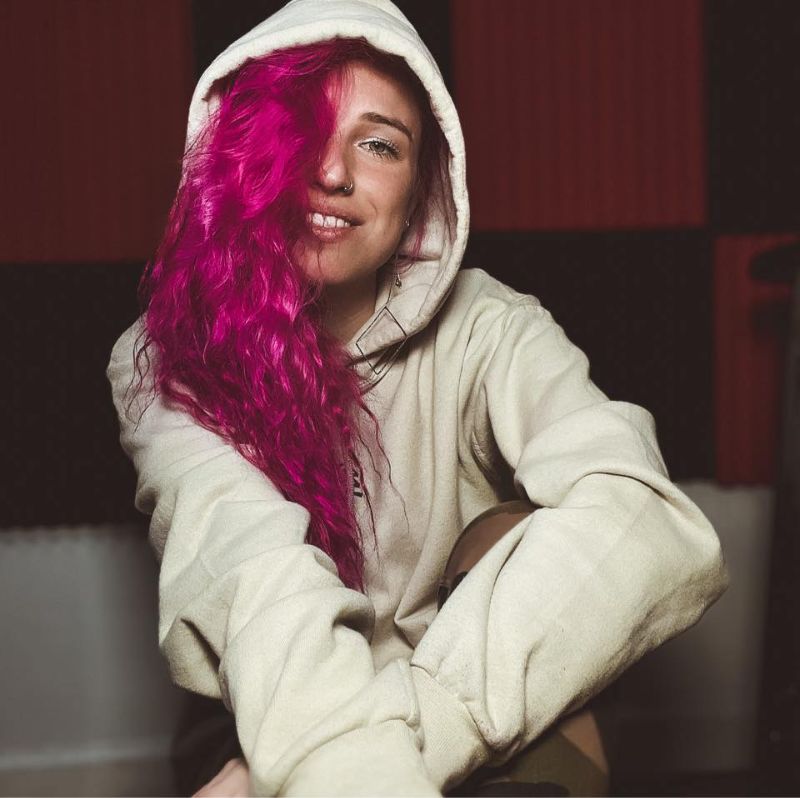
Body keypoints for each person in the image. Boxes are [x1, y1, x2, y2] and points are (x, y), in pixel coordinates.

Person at [107, 1, 728, 795]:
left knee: (511, 531)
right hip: (272, 706)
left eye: (379, 144)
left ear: (421, 192)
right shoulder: (162, 356)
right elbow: (252, 570)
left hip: (478, 700)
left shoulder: (491, 327)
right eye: (301, 129)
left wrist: (405, 729)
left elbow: (646, 518)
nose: (333, 172)